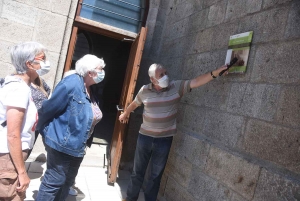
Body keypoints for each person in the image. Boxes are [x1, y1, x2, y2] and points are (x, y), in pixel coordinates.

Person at [119, 63, 228, 201]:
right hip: (144, 138)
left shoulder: (176, 87)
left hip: (163, 140)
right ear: (152, 79)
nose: (166, 76)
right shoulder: (145, 90)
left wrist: (216, 72)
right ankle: (130, 198)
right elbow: (135, 103)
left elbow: (196, 81)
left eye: (166, 72)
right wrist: (125, 113)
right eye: (161, 75)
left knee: (155, 176)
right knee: (137, 172)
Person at [36, 54, 106, 201]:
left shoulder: (90, 89)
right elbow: (48, 109)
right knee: (53, 182)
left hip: (78, 146)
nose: (103, 72)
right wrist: (45, 131)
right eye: (101, 69)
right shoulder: (71, 84)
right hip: (62, 144)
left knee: (67, 182)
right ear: (90, 72)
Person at [0, 41, 48, 201]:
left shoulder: (22, 86)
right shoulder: (18, 89)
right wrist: (22, 172)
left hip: (10, 156)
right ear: (29, 63)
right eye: (42, 58)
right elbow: (13, 134)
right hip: (8, 157)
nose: (46, 62)